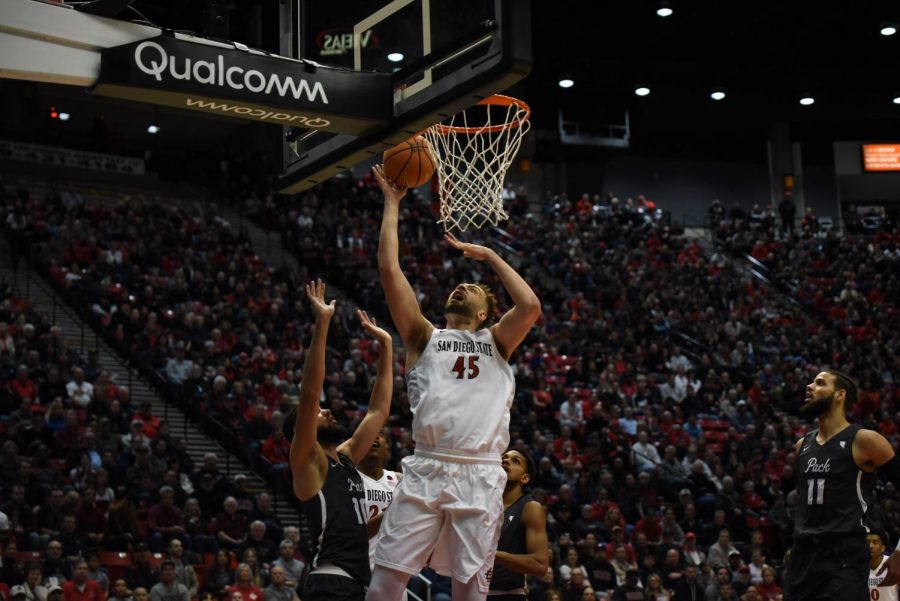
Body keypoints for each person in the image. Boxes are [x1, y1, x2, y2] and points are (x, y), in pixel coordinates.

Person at [367, 165, 541, 601]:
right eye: (459, 285)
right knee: (386, 581)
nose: (461, 286)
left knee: (468, 589)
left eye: (472, 288)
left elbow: (531, 305)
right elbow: (390, 270)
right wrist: (392, 205)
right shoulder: (424, 336)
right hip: (426, 464)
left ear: (485, 313)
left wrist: (491, 258)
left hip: (480, 472)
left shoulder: (498, 342)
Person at [287, 280, 394, 601]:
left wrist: (387, 347)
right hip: (330, 581)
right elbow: (309, 392)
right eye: (319, 413)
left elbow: (378, 410)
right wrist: (322, 323)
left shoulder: (345, 459)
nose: (327, 411)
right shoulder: (308, 460)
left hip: (354, 583)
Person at [786, 370, 900, 598]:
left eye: (819, 383)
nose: (809, 386)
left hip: (844, 556)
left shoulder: (865, 440)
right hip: (803, 556)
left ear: (840, 395)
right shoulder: (802, 445)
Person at [487, 449, 549, 601]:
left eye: (515, 461)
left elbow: (540, 565)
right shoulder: (481, 502)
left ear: (525, 478)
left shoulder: (531, 508)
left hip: (507, 595)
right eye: (504, 458)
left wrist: (490, 554)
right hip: (469, 592)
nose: (506, 461)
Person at [357, 430, 402, 575]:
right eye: (370, 433)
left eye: (381, 434)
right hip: (356, 568)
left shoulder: (400, 481)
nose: (375, 436)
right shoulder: (346, 479)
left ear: (387, 450)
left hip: (392, 570)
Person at [869, 531, 898, 601]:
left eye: (875, 542)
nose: (870, 546)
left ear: (883, 547)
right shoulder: (859, 568)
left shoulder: (893, 564)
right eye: (867, 542)